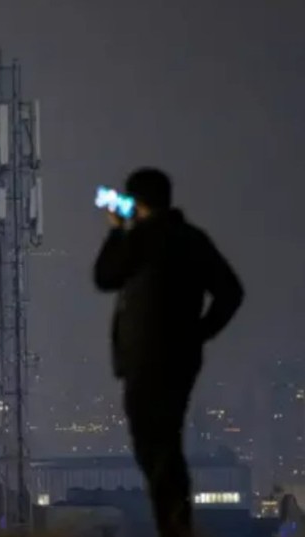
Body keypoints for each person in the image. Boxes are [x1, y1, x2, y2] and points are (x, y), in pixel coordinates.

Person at [93, 168, 244, 537]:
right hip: (178, 360)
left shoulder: (143, 239)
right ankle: (175, 522)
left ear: (135, 202)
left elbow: (105, 277)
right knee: (167, 442)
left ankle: (174, 524)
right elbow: (231, 292)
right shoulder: (191, 239)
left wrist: (117, 230)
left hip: (146, 361)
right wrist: (198, 334)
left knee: (154, 446)